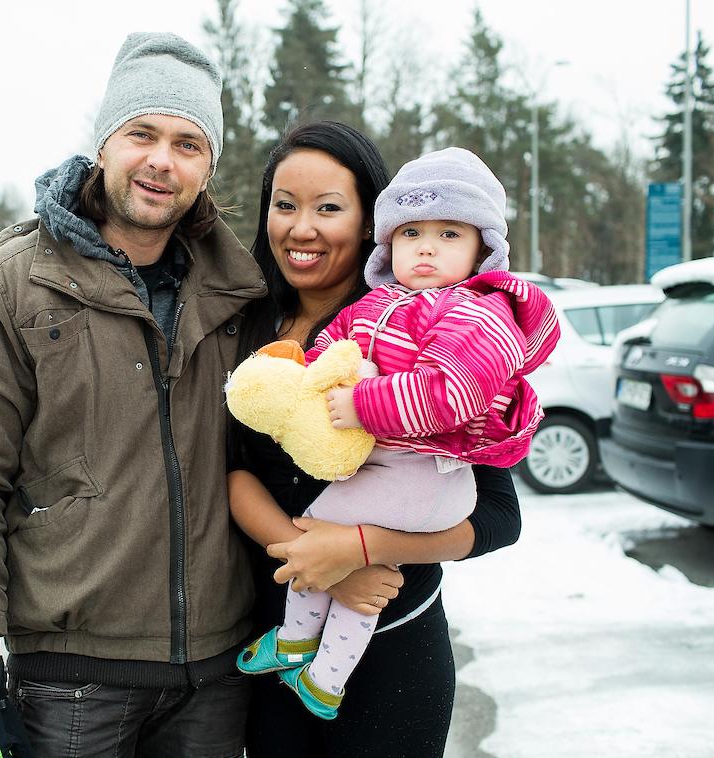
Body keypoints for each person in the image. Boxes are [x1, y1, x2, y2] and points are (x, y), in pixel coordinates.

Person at [0, 32, 270, 757]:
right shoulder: (11, 283)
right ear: (105, 144)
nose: (161, 161)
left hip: (216, 675)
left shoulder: (242, 292)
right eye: (142, 133)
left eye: (188, 143)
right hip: (71, 681)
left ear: (208, 168)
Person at [227, 122, 524, 757]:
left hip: (396, 648)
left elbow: (500, 513)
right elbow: (226, 469)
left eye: (328, 208)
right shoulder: (244, 325)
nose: (301, 228)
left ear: (372, 224)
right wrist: (320, 565)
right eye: (285, 205)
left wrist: (365, 547)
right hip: (275, 641)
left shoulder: (427, 324)